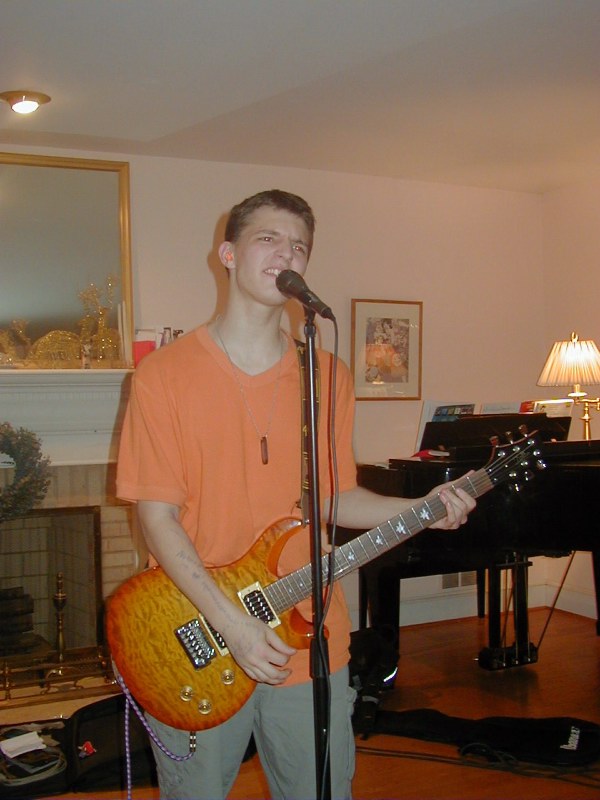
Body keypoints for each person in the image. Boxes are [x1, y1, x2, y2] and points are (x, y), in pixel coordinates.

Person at [116, 189, 476, 800]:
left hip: (308, 634)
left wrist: (423, 510)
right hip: (198, 631)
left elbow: (332, 499)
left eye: (299, 247)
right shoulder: (164, 376)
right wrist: (232, 625)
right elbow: (157, 518)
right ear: (228, 254)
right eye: (269, 239)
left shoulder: (327, 376)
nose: (287, 254)